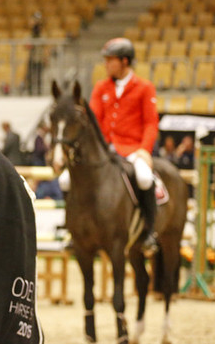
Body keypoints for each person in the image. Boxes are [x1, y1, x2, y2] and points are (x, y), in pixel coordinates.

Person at [60, 37, 160, 253]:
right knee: (66, 180)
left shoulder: (144, 87)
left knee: (144, 177)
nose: (106, 65)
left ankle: (148, 232)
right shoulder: (101, 87)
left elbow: (151, 123)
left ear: (124, 61)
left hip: (133, 149)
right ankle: (73, 230)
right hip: (104, 150)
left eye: (110, 60)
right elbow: (93, 121)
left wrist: (145, 149)